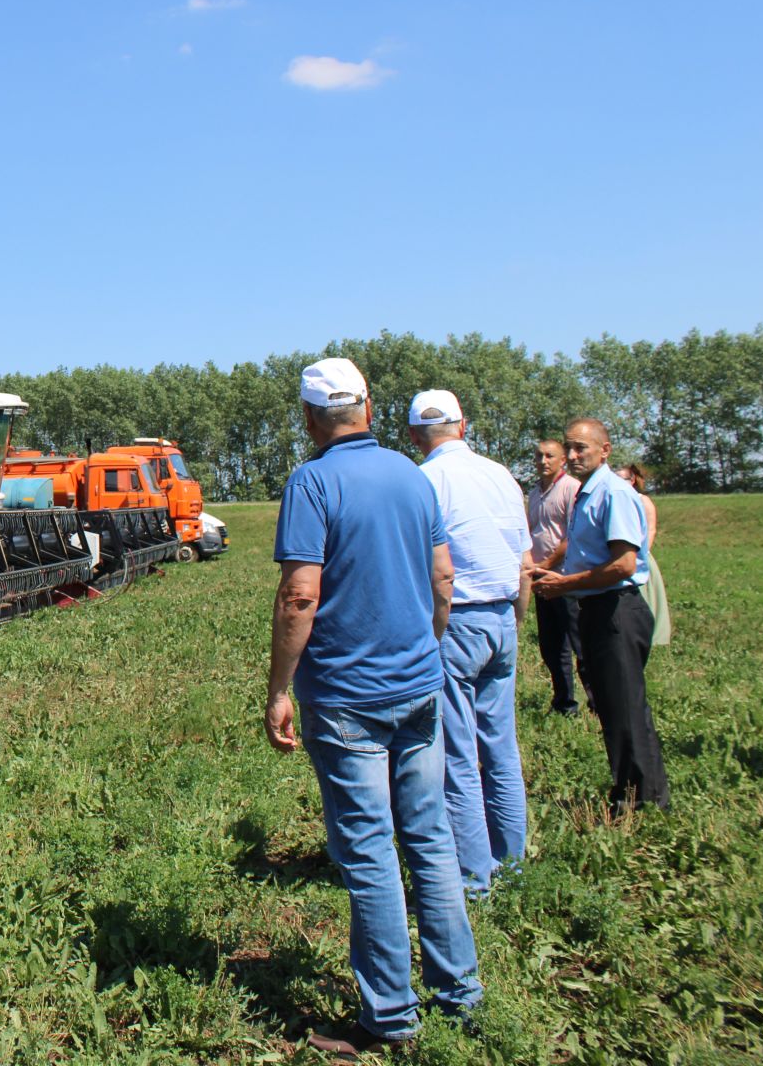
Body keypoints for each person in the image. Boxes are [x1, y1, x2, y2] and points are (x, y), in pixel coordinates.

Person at [269, 358, 482, 1057]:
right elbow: (443, 579)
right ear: (369, 404)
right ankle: (461, 995)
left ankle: (390, 1017)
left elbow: (302, 593)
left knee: (367, 853)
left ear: (308, 418)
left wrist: (278, 688)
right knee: (430, 837)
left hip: (346, 700)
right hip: (419, 687)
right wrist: (426, 648)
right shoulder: (413, 477)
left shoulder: (312, 481)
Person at [408, 390, 530, 896]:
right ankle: (514, 863)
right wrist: (516, 622)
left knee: (457, 754)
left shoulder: (424, 481)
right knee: (501, 747)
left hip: (455, 621)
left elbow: (435, 570)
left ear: (415, 436)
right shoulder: (502, 475)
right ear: (464, 426)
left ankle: (475, 878)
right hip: (502, 615)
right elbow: (524, 560)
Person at [530, 420, 671, 812]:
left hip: (616, 609)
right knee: (614, 707)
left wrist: (565, 583)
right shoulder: (586, 493)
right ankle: (638, 793)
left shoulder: (613, 492)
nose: (573, 456)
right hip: (596, 607)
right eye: (570, 448)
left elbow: (625, 564)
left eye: (582, 449)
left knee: (624, 709)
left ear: (604, 450)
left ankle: (640, 802)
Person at [526, 440, 584, 714]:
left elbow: (572, 535)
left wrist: (547, 563)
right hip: (541, 577)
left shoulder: (571, 489)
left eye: (550, 456)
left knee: (579, 642)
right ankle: (564, 702)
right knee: (551, 645)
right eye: (539, 456)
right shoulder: (535, 493)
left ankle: (597, 702)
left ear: (562, 460)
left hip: (564, 578)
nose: (543, 461)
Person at [616, 464, 671, 646]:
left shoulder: (642, 500)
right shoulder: (617, 500)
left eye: (622, 479)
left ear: (632, 480)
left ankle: (652, 634)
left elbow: (651, 529)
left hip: (640, 556)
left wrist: (642, 554)